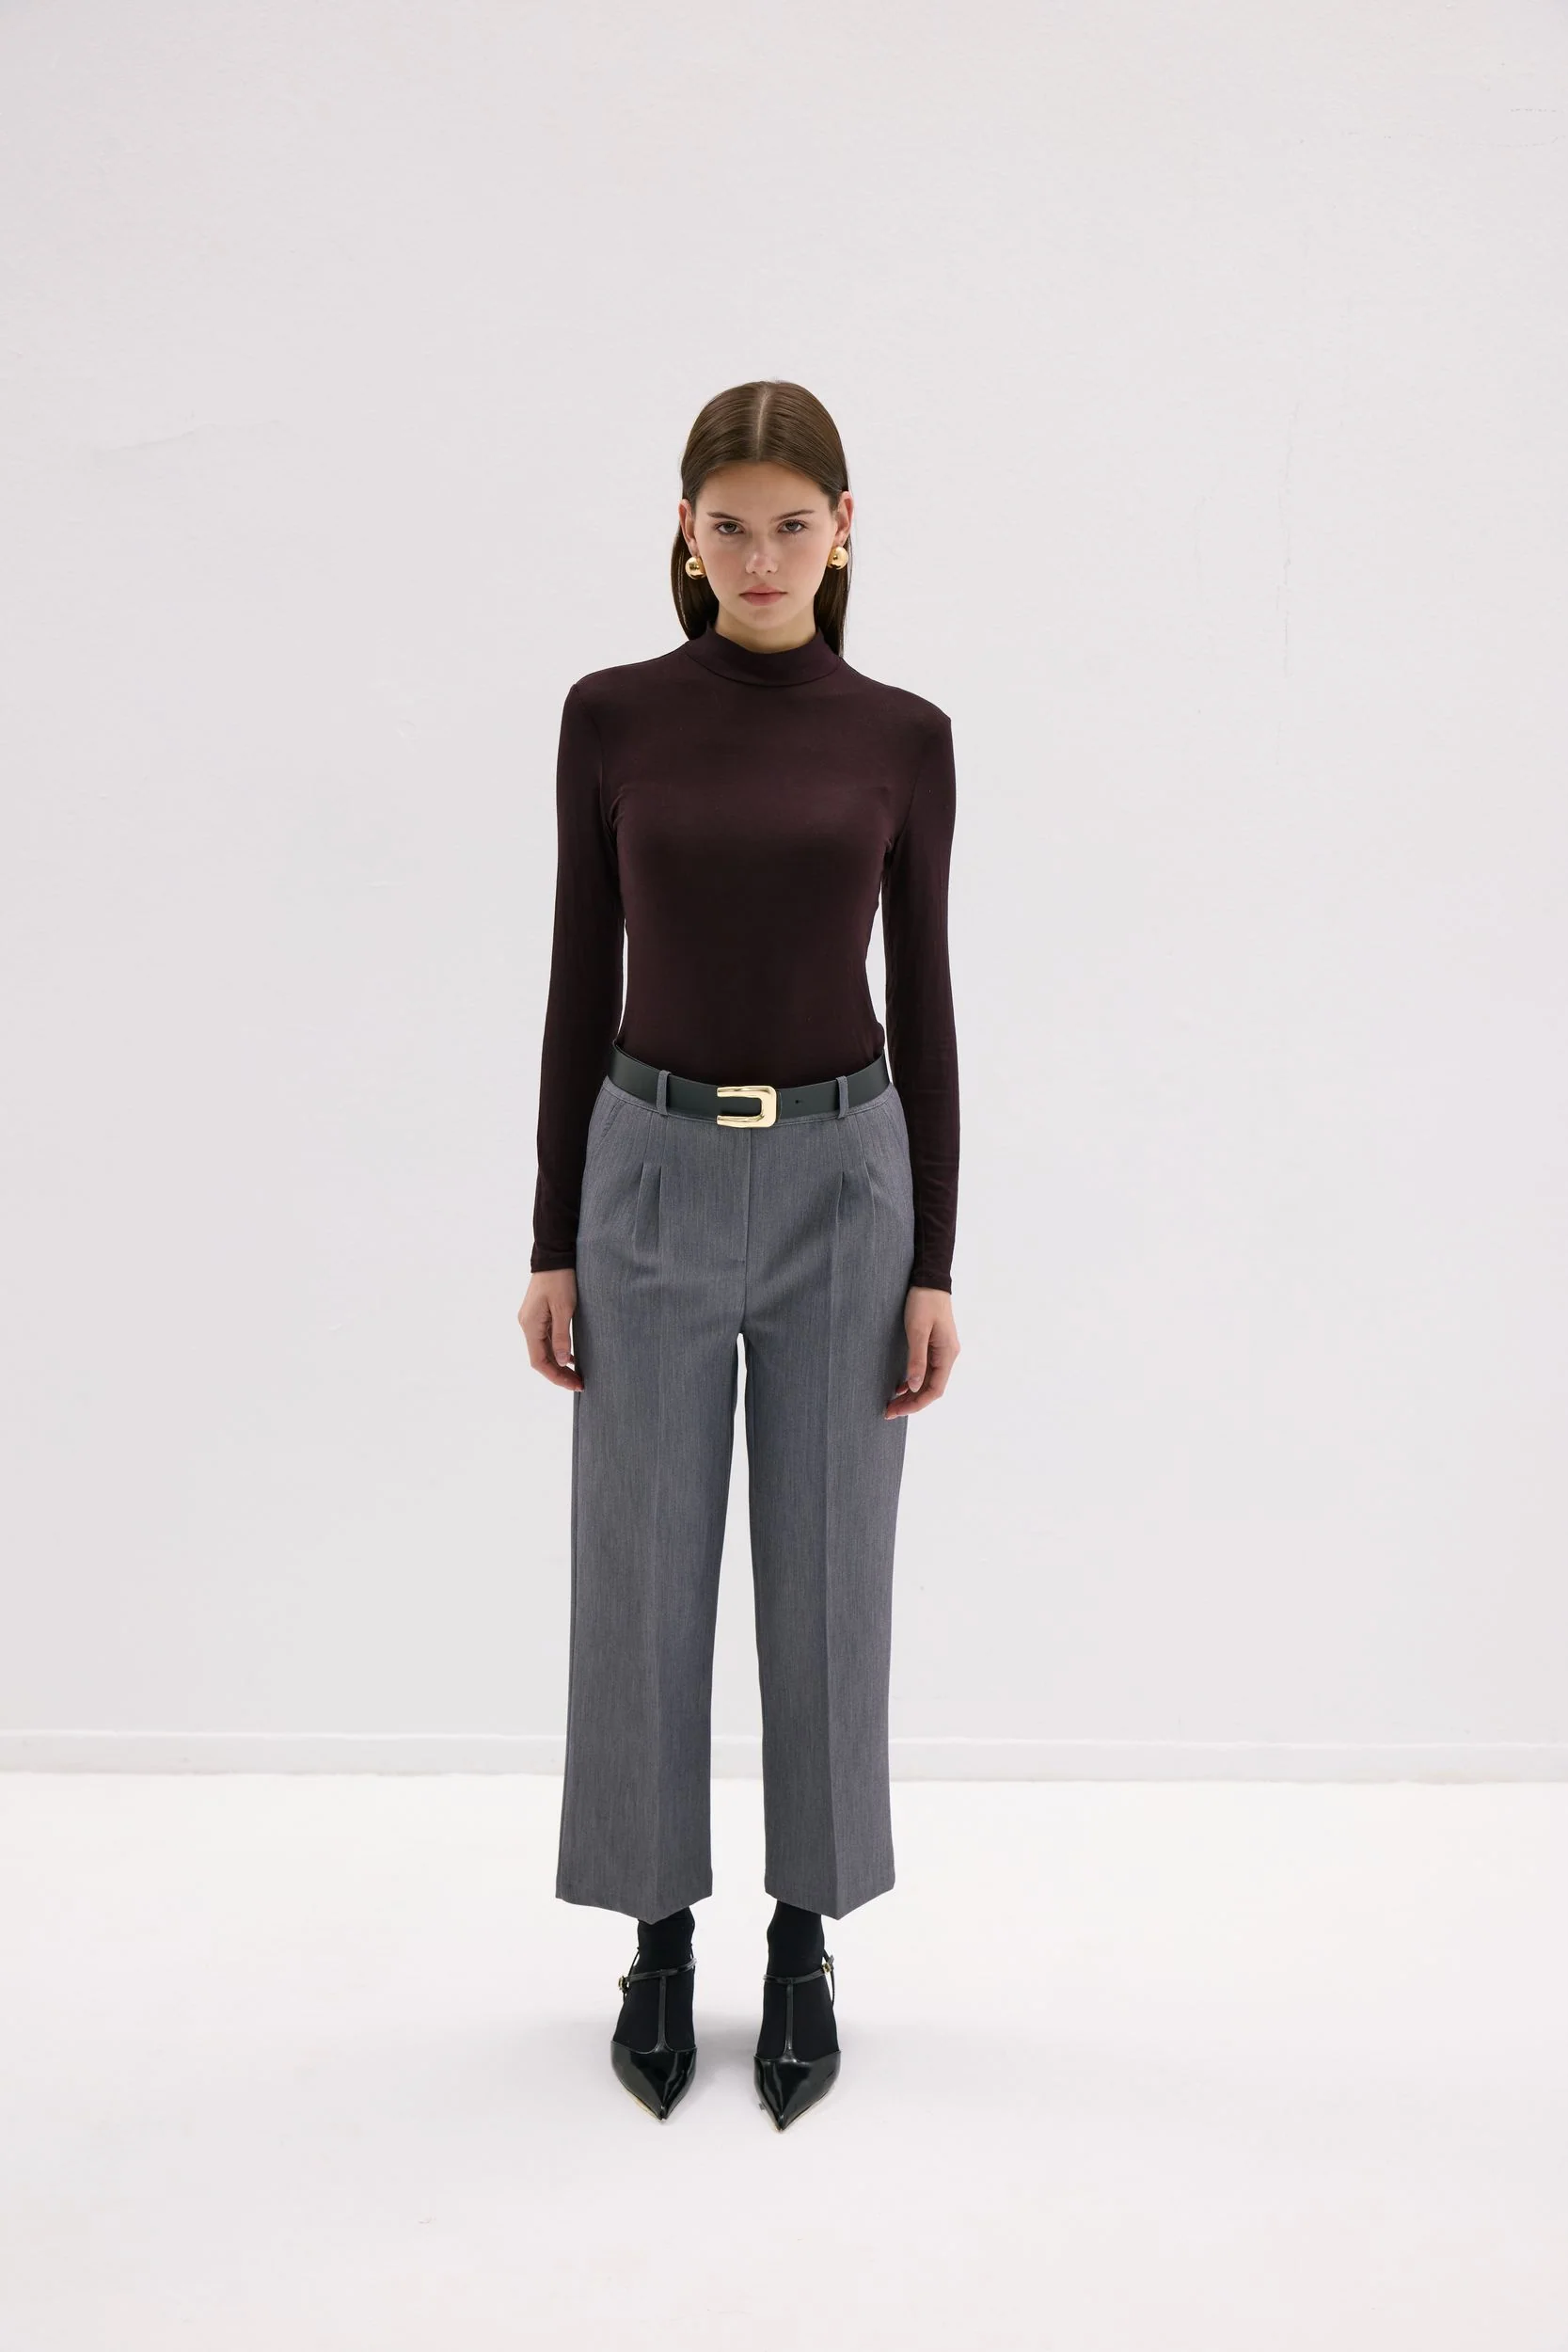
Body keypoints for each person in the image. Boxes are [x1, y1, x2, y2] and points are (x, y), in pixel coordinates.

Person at [516, 379, 961, 2129]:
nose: (759, 558)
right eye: (728, 527)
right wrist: (551, 1230)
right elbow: (579, 971)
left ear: (842, 530)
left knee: (831, 1565)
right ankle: (654, 1938)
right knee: (637, 1561)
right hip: (646, 1172)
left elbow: (926, 996)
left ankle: (803, 1938)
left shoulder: (902, 735)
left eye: (791, 525)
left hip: (849, 1177)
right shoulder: (611, 715)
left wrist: (935, 1255)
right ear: (684, 536)